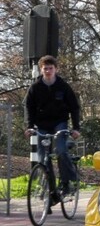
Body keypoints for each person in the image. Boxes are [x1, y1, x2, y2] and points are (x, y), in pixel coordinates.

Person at [24, 55, 81, 196]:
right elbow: (29, 107)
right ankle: (50, 189)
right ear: (41, 70)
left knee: (60, 150)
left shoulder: (63, 87)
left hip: (59, 123)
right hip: (42, 124)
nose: (48, 71)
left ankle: (67, 183)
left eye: (51, 68)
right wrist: (30, 126)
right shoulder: (35, 88)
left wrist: (76, 128)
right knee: (43, 158)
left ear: (56, 69)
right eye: (45, 68)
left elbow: (74, 107)